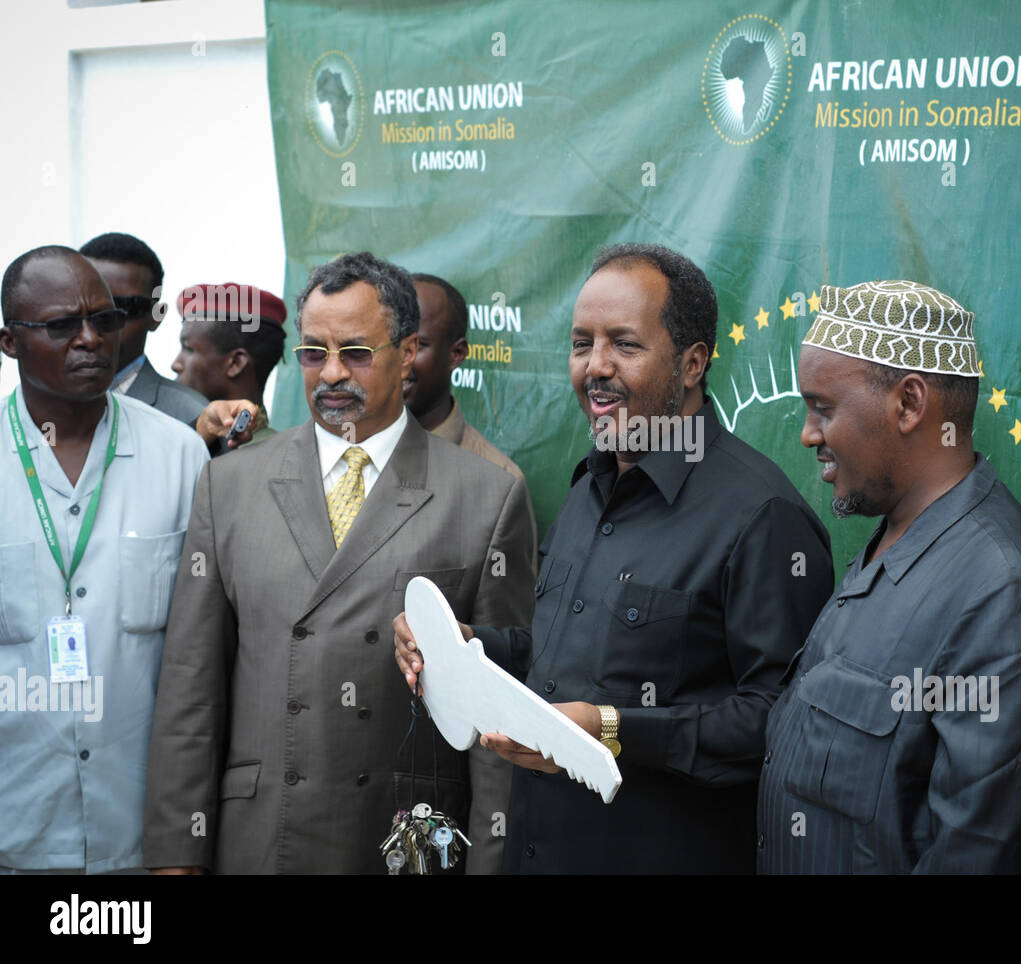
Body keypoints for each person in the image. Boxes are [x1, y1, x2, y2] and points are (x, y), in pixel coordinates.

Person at [395, 243, 834, 873]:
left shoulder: (763, 517)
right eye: (581, 344)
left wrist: (612, 728)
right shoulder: (587, 490)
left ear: (692, 363)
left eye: (624, 344)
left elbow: (779, 725)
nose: (595, 367)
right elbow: (560, 653)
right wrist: (466, 646)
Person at [142, 252, 535, 874]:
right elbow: (192, 690)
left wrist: (491, 862)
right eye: (313, 353)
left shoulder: (486, 496)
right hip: (262, 837)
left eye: (356, 353)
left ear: (408, 353)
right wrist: (175, 854)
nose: (331, 374)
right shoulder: (229, 485)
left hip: (402, 843)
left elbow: (497, 716)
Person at [758, 279, 1021, 874]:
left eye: (823, 408)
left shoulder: (1005, 595)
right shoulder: (892, 540)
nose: (807, 434)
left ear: (909, 404)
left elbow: (974, 854)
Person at [0, 246, 208, 873]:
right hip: (16, 833)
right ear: (9, 342)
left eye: (105, 320)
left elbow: (204, 662)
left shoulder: (179, 457)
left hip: (143, 837)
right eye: (62, 326)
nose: (90, 340)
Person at [402, 271, 537, 874]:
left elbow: (498, 689)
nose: (400, 358)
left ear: (458, 353)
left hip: (427, 815)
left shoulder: (495, 485)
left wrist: (490, 855)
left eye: (418, 343)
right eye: (388, 339)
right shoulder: (335, 466)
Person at [79, 232, 207, 427]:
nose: (101, 323)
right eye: (89, 306)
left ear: (156, 316)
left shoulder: (191, 417)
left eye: (125, 308)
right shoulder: (36, 407)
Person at [171, 281, 288, 448]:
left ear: (235, 363)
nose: (176, 364)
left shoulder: (274, 456)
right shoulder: (285, 452)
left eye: (189, 349)